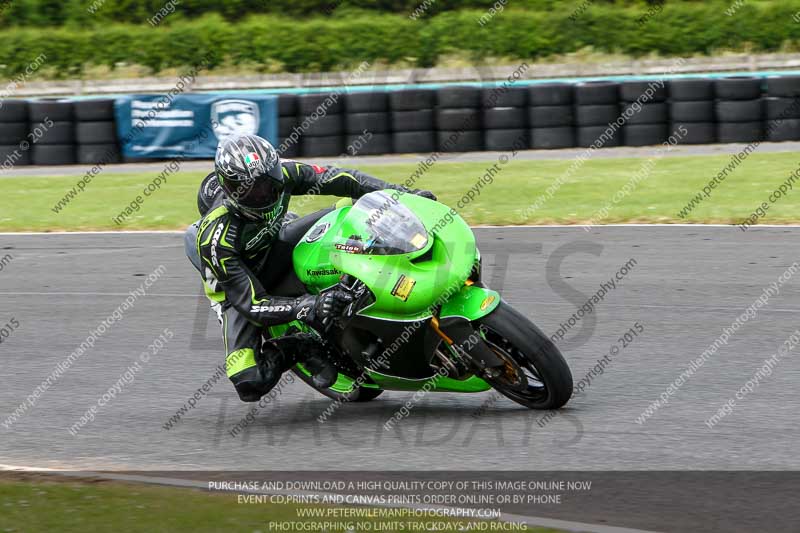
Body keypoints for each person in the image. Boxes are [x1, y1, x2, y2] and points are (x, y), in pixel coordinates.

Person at [184, 133, 435, 402]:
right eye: (252, 191)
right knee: (249, 381)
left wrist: (401, 195)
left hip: (276, 241)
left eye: (269, 183)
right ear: (231, 191)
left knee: (348, 212)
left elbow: (344, 179)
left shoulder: (284, 173)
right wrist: (310, 305)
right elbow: (253, 305)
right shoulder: (215, 239)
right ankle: (298, 346)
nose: (265, 193)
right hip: (238, 287)